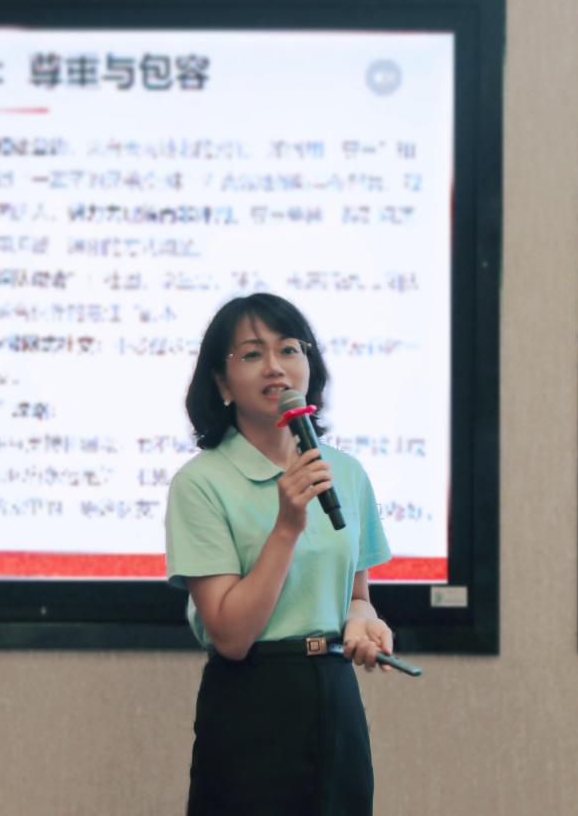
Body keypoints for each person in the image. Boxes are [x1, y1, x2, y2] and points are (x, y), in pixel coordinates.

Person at [165, 292, 395, 816]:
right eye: (252, 354)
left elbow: (357, 596)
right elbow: (230, 636)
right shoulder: (200, 483)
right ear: (222, 384)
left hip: (335, 696)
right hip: (253, 698)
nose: (275, 366)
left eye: (289, 349)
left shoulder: (345, 471)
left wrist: (363, 622)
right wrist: (287, 525)